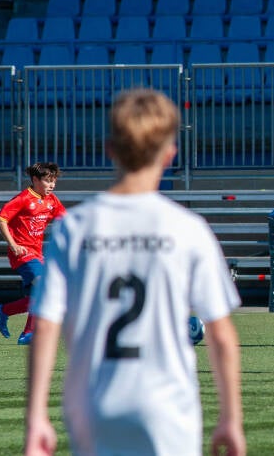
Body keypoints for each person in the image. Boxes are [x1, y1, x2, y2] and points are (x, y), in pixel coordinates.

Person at [24, 89, 245, 456]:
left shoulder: (75, 227)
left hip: (95, 404)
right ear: (170, 154)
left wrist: (36, 418)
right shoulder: (188, 228)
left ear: (110, 149)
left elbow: (46, 324)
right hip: (168, 406)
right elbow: (221, 335)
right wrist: (231, 419)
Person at [0, 162, 66, 345]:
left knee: (37, 297)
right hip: (22, 253)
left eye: (53, 181)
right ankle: (29, 332)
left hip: (37, 254)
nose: (52, 185)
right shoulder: (24, 198)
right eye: (48, 181)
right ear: (35, 180)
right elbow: (1, 218)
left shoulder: (51, 200)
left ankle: (6, 313)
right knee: (44, 287)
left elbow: (66, 220)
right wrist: (13, 244)